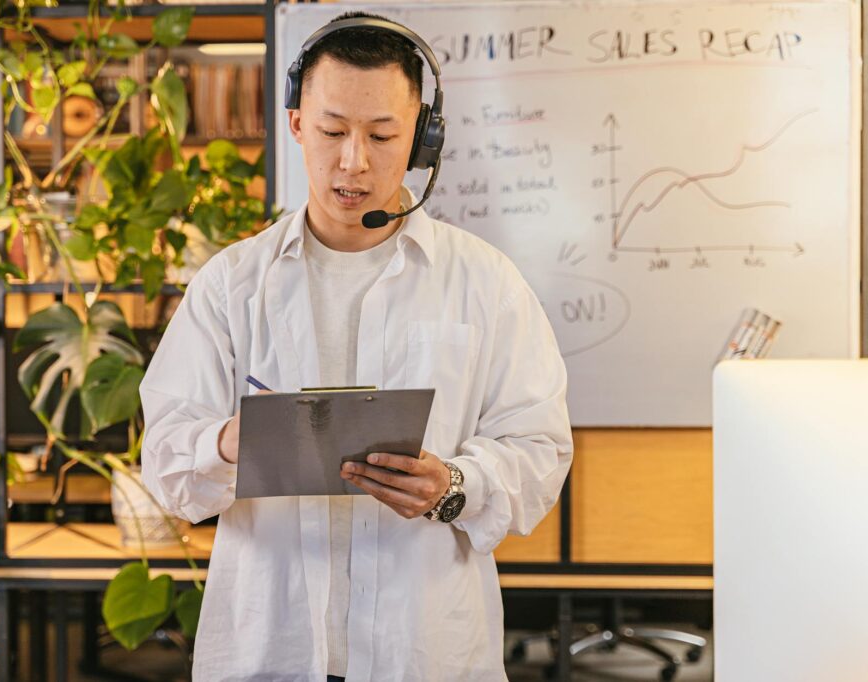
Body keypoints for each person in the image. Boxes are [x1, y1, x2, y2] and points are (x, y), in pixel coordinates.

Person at [140, 12, 573, 682]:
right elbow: (165, 462)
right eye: (332, 131)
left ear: (422, 141)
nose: (353, 161)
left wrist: (453, 484)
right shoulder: (230, 286)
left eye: (381, 135)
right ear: (294, 125)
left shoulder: (485, 284)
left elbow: (540, 449)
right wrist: (231, 440)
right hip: (269, 652)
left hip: (424, 654)